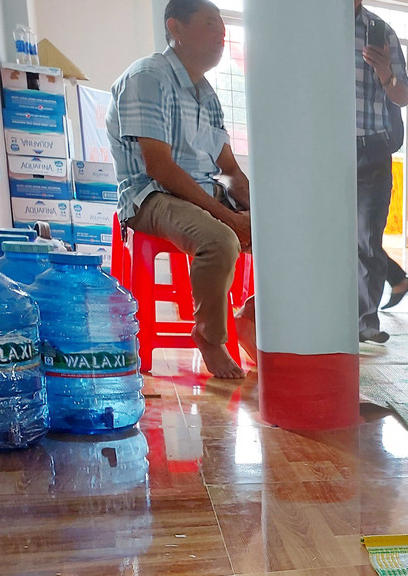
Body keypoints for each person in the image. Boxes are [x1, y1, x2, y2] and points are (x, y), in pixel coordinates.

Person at [107, 0, 246, 380]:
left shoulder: (206, 96)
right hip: (151, 196)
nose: (220, 34)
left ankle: (247, 317)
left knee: (281, 232)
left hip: (199, 191)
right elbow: (160, 167)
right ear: (176, 29)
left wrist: (260, 212)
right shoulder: (148, 78)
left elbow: (229, 170)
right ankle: (209, 337)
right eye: (208, 24)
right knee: (220, 240)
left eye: (222, 26)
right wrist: (229, 217)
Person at [354, 0, 408, 344]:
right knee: (332, 238)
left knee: (367, 239)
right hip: (324, 150)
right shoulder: (315, 27)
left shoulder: (382, 32)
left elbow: (402, 96)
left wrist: (386, 73)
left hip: (371, 150)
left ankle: (365, 322)